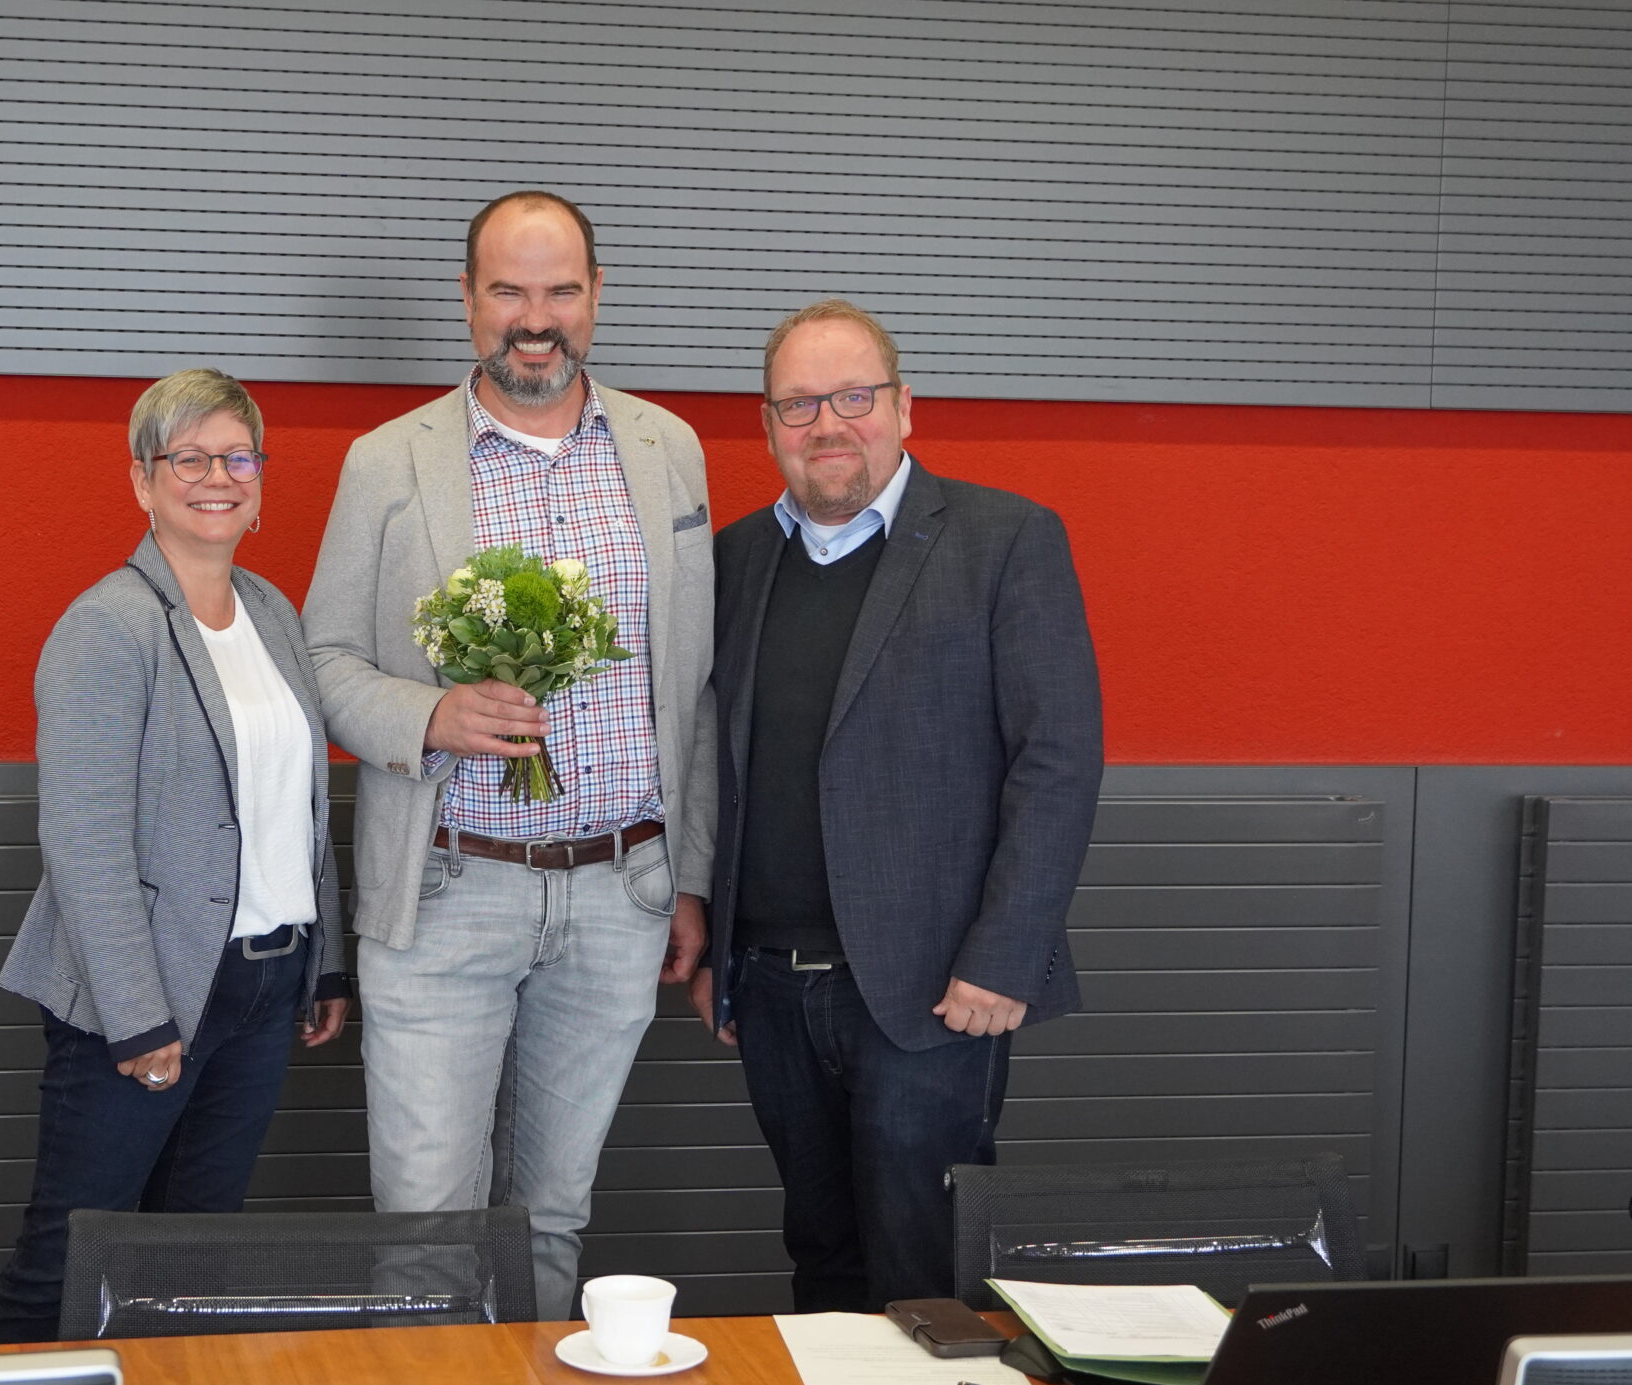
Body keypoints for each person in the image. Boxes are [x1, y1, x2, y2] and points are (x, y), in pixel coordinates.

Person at [304, 190, 716, 1321]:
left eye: (560, 290)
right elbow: (325, 657)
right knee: (429, 1225)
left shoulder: (666, 449)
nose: (535, 319)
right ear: (468, 297)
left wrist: (690, 879)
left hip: (619, 895)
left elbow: (694, 688)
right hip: (447, 890)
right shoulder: (388, 461)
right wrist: (426, 717)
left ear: (595, 295)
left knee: (551, 1220)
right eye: (508, 290)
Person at [692, 299, 1103, 1311]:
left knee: (926, 1278)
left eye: (852, 396)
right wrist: (717, 946)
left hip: (933, 993)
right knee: (821, 1262)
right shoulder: (733, 562)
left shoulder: (1004, 540)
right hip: (771, 991)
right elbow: (714, 760)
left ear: (903, 407)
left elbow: (1057, 759)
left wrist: (1003, 956)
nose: (827, 424)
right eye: (797, 404)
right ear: (767, 425)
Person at [0, 368, 350, 1342]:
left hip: (264, 987)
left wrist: (327, 960)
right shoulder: (106, 627)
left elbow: (299, 802)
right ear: (143, 481)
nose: (216, 476)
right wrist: (138, 1021)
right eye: (188, 458)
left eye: (237, 456)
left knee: (191, 1260)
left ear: (260, 477)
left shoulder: (272, 613)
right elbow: (81, 840)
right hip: (139, 1000)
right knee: (65, 1262)